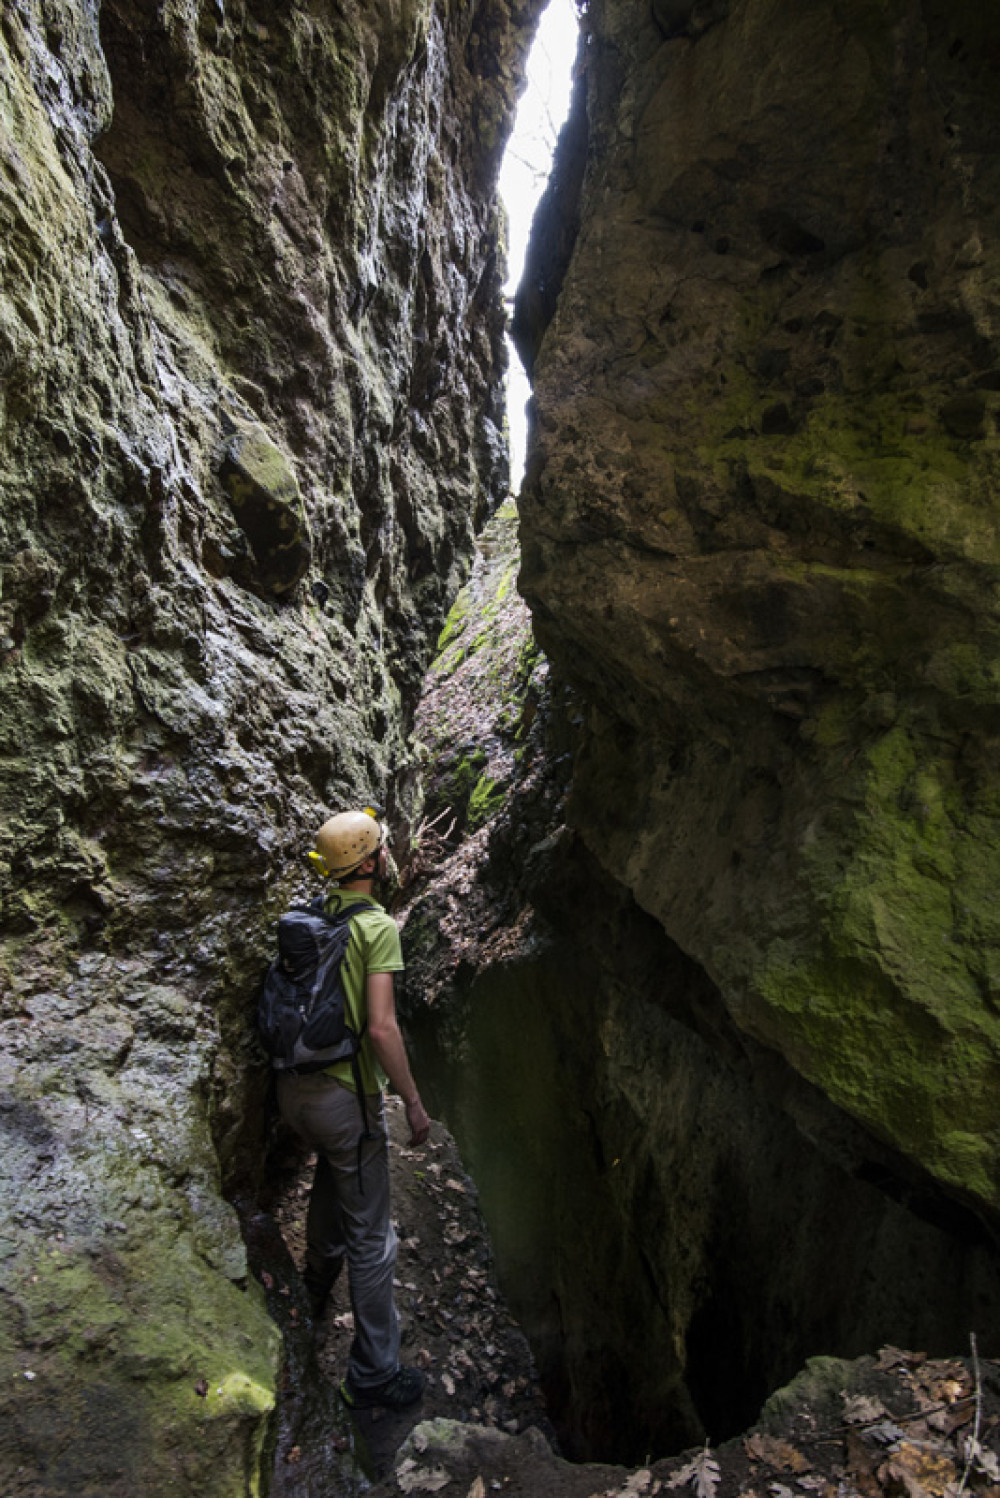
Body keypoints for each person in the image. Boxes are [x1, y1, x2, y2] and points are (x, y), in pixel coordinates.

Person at [276, 807, 431, 1412]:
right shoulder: (377, 928)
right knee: (374, 1241)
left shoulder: (310, 916)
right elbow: (382, 1029)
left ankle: (311, 1292)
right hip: (346, 1101)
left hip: (293, 1095)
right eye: (382, 849)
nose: (388, 855)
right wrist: (413, 1103)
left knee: (334, 1177)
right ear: (368, 863)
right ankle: (373, 1375)